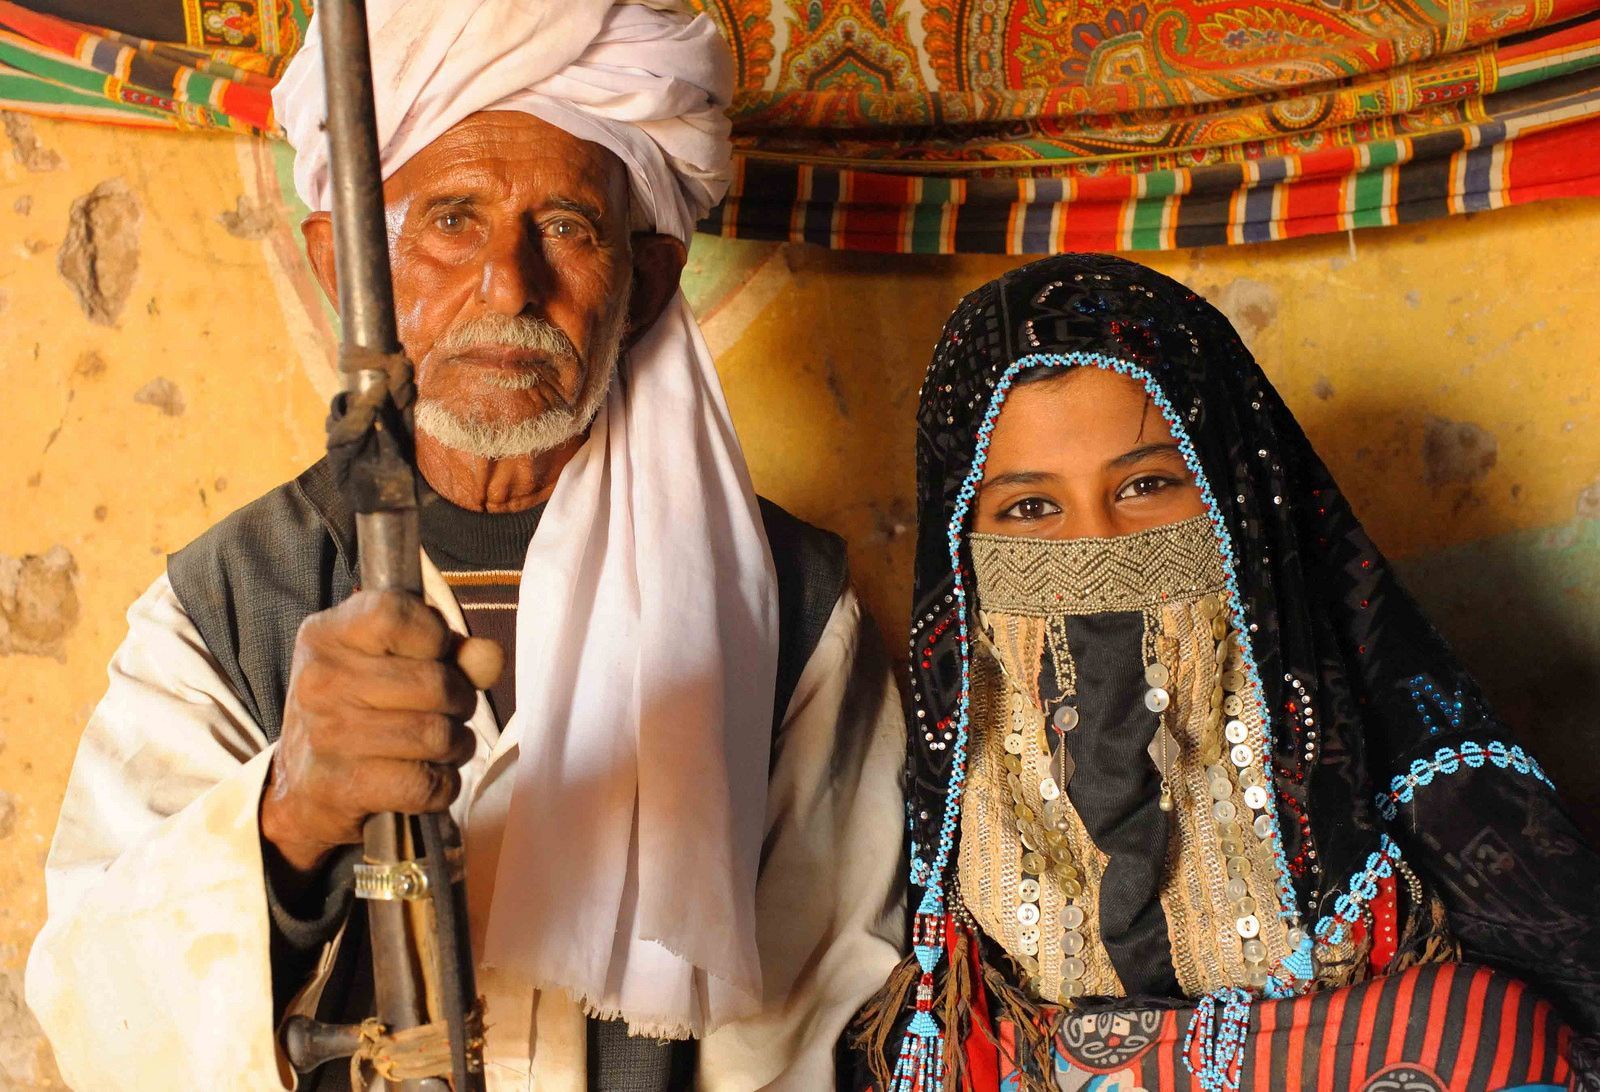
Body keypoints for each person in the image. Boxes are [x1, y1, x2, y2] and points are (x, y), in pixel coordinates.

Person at [25, 2, 905, 1088]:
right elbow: (98, 1008)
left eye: (568, 228)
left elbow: (821, 1023)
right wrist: (292, 807)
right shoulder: (225, 602)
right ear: (345, 268)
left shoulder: (787, 606)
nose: (509, 283)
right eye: (451, 220)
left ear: (647, 283)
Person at [854, 253, 1600, 1091]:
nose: (1098, 547)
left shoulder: (1414, 776)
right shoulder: (925, 795)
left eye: (1146, 485)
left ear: (1237, 491)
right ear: (963, 538)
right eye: (1031, 508)